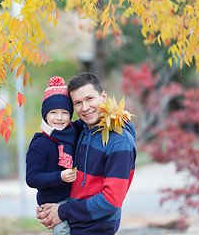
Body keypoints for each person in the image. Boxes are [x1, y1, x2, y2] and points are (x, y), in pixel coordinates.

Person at [37, 72, 137, 235]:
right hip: (74, 226)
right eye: (78, 103)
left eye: (90, 99)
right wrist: (49, 209)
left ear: (103, 97)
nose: (84, 108)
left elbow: (111, 200)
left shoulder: (119, 141)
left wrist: (62, 211)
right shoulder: (83, 129)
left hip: (96, 230)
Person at [26, 76, 84, 235]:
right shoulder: (40, 143)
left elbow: (92, 117)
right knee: (62, 232)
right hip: (53, 201)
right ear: (45, 115)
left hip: (73, 197)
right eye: (53, 112)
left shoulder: (73, 130)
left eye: (64, 112)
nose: (59, 118)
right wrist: (60, 176)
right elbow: (32, 178)